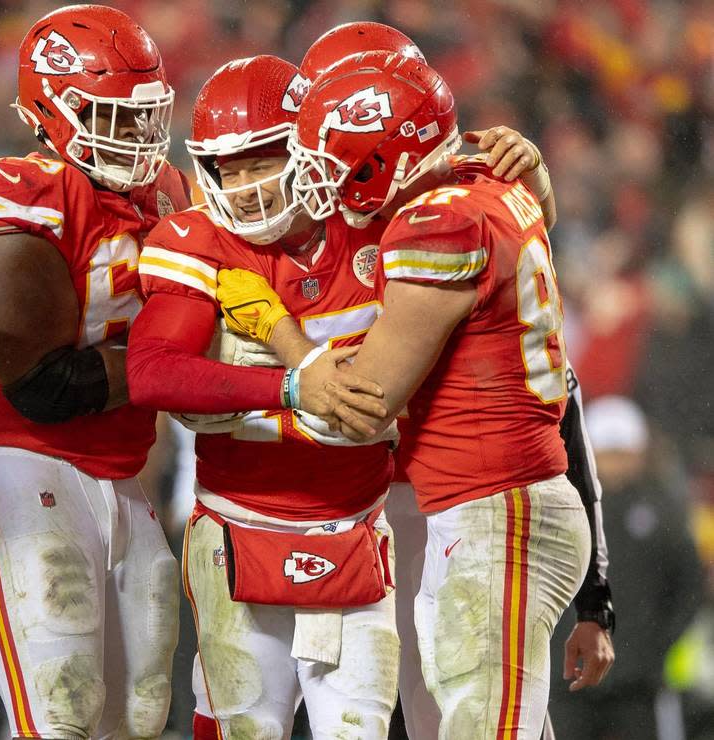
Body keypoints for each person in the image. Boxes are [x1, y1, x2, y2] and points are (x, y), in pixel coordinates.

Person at [219, 51, 590, 738]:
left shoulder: (436, 224)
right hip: (503, 500)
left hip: (491, 508)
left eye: (332, 161)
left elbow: (368, 401)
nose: (318, 179)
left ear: (380, 158)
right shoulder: (489, 185)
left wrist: (278, 342)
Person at [127, 54, 400, 738]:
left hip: (358, 523)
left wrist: (522, 171)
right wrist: (289, 385)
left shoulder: (373, 222)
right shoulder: (202, 242)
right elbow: (153, 372)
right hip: (240, 527)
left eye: (261, 158)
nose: (245, 188)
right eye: (228, 168)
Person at [0, 5, 191, 738]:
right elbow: (42, 386)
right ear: (54, 109)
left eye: (146, 117)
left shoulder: (168, 191)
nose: (138, 138)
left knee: (139, 713)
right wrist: (176, 364)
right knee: (59, 710)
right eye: (114, 117)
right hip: (16, 459)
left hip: (116, 469)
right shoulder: (18, 192)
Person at [547, 396, 701, 740]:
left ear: (640, 453)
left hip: (638, 686)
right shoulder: (560, 508)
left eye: (623, 451)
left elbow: (688, 587)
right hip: (567, 680)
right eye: (608, 451)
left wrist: (655, 648)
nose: (615, 462)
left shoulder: (666, 514)